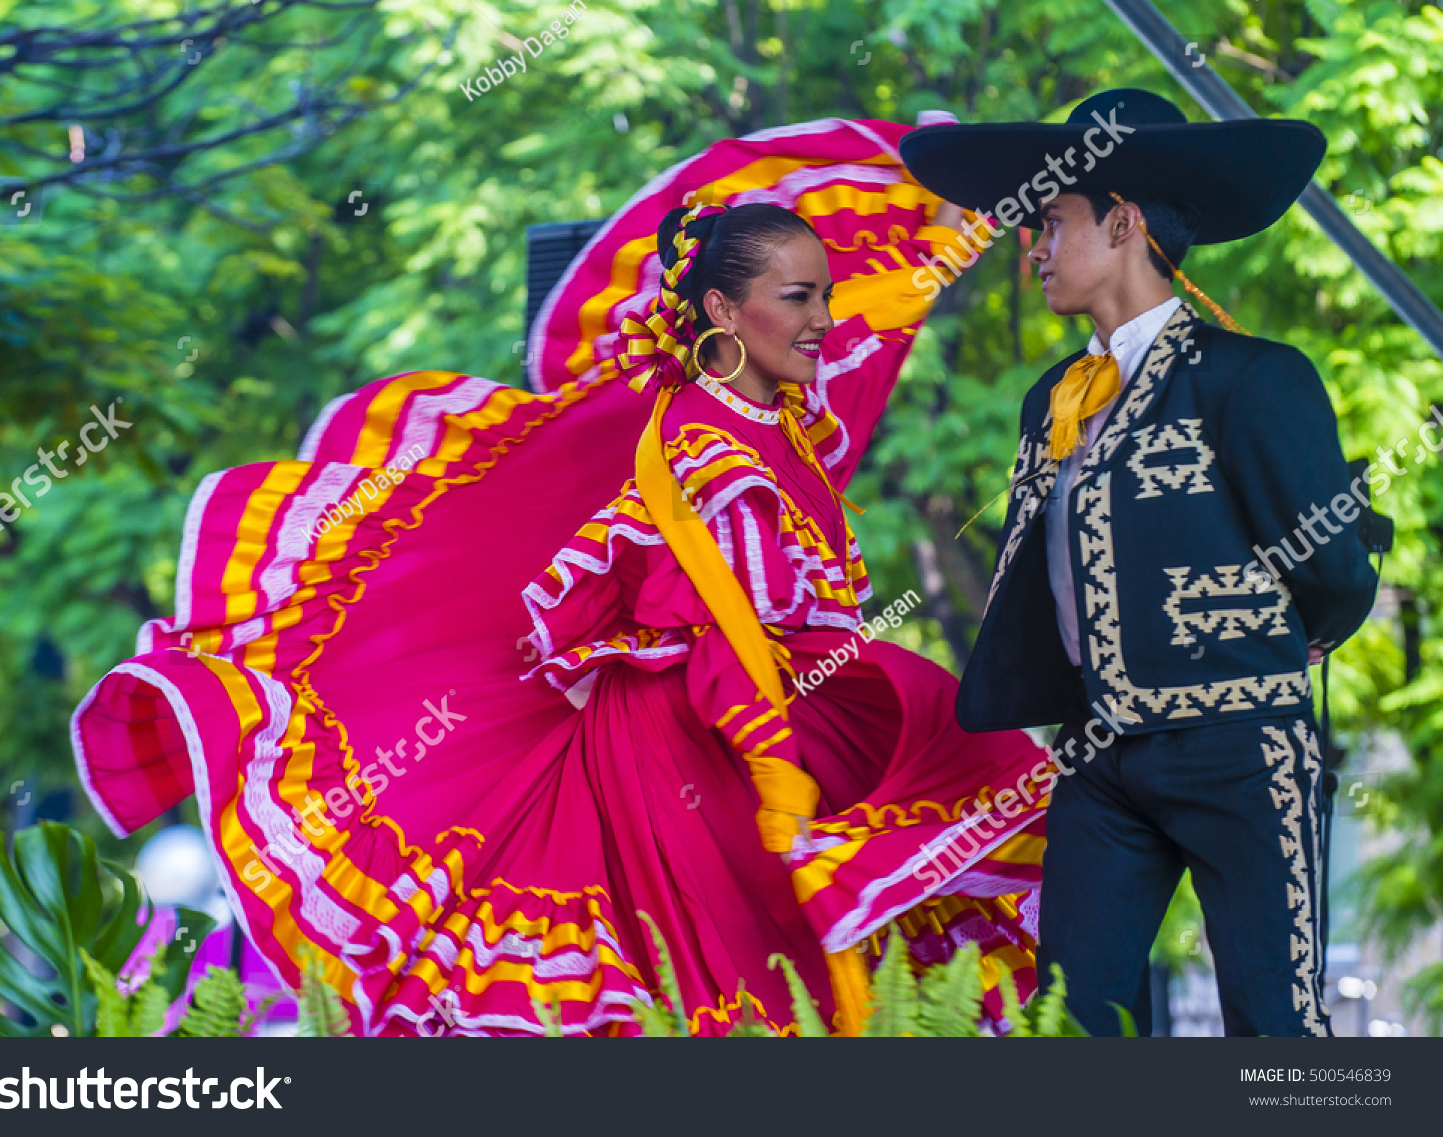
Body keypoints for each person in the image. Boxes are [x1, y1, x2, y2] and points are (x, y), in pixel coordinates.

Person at [72, 122, 1050, 1036]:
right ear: (722, 312)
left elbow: (868, 346)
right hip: (692, 737)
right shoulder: (699, 443)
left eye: (818, 297)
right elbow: (697, 618)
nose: (821, 319)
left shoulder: (784, 422)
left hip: (749, 718)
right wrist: (777, 769)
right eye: (797, 298)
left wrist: (945, 238)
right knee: (717, 971)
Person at [900, 88, 1380, 1036]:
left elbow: (1332, 572)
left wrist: (1271, 650)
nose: (1032, 246)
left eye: (1051, 222)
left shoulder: (1255, 377)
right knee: (1071, 1023)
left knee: (1274, 1022)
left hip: (1240, 749)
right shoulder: (1052, 398)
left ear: (1122, 222)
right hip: (1098, 753)